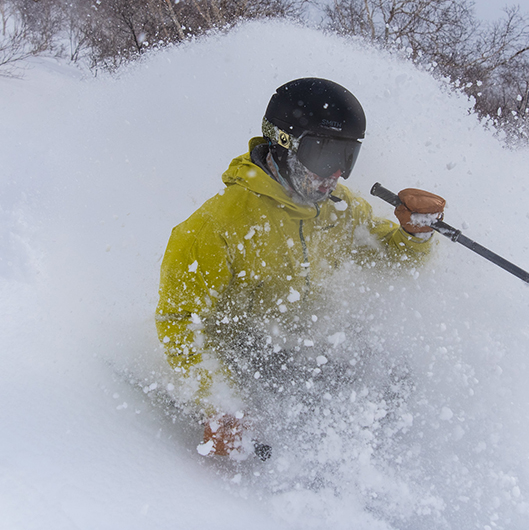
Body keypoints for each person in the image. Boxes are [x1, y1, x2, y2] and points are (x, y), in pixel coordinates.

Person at [155, 78, 446, 458]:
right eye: (325, 155)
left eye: (347, 157)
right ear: (284, 143)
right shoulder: (216, 226)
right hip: (245, 365)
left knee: (395, 369)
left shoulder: (339, 207)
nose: (337, 174)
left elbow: (389, 258)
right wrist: (218, 402)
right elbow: (179, 322)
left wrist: (415, 233)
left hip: (304, 353)